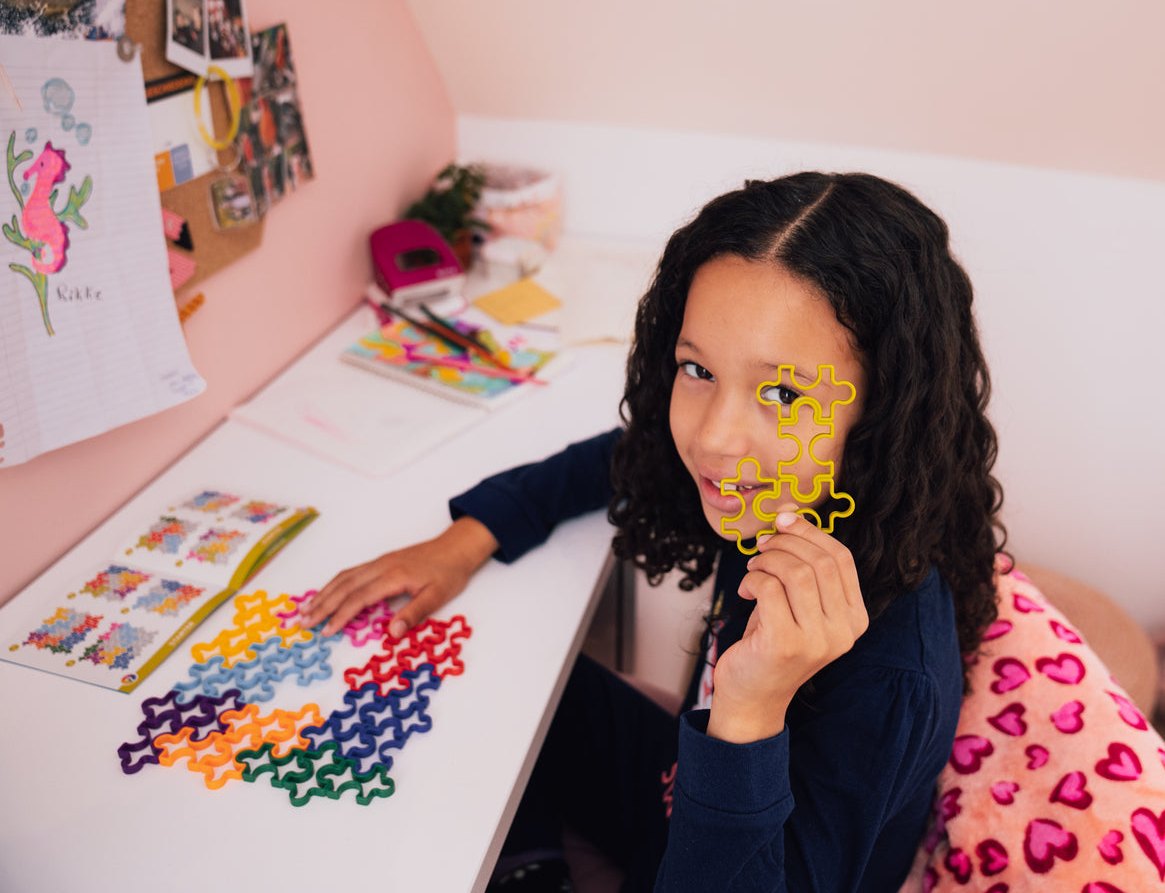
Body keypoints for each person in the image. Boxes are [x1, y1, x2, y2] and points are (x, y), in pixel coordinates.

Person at [299, 172, 1007, 892]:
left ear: (883, 411)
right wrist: (465, 539)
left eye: (783, 392)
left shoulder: (890, 675)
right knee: (516, 683)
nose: (715, 437)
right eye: (697, 369)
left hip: (729, 862)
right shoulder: (784, 491)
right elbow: (624, 459)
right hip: (680, 789)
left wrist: (751, 707)